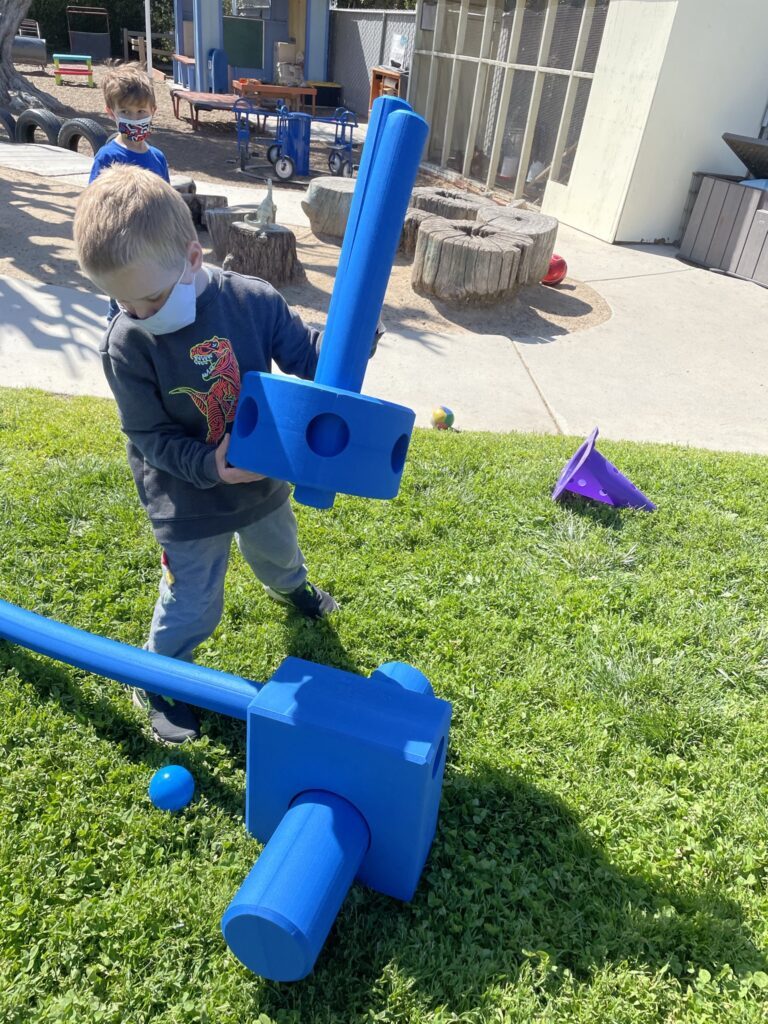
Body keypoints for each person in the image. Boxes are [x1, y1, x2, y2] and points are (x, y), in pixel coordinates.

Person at [73, 165, 340, 746]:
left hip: (261, 476)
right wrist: (208, 465)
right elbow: (149, 438)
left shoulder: (253, 302)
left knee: (278, 548)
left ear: (193, 258)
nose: (135, 313)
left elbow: (307, 359)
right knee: (193, 600)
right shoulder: (126, 343)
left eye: (147, 298)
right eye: (120, 301)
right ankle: (158, 677)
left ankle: (293, 589)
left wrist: (347, 341)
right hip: (187, 495)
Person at [89, 64, 170, 323]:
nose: (134, 119)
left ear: (153, 111)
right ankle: (114, 354)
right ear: (111, 112)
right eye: (125, 112)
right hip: (122, 253)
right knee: (122, 312)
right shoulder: (108, 157)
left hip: (153, 251)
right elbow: (95, 206)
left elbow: (167, 204)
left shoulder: (158, 158)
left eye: (140, 112)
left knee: (152, 310)